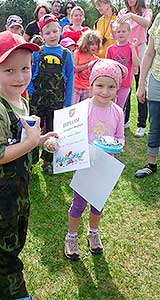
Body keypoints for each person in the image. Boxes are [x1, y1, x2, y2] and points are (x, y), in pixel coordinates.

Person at [0, 30, 57, 300]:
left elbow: (24, 138)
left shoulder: (22, 101)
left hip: (19, 188)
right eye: (9, 70)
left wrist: (41, 139)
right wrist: (31, 142)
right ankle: (15, 293)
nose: (20, 77)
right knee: (7, 246)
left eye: (25, 68)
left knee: (13, 239)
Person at [64, 58, 127, 261]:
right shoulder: (82, 108)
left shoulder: (117, 112)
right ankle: (71, 237)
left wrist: (117, 145)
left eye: (111, 87)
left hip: (104, 165)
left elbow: (120, 138)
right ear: (91, 85)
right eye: (99, 85)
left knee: (97, 205)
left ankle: (93, 233)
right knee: (78, 204)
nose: (105, 91)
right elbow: (70, 134)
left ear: (117, 88)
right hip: (84, 164)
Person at [29, 14, 74, 174]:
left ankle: (48, 160)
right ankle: (30, 159)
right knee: (33, 130)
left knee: (52, 131)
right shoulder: (36, 53)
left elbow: (70, 79)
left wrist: (67, 103)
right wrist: (30, 91)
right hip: (37, 101)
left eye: (55, 31)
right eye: (47, 33)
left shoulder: (66, 54)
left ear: (60, 30)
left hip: (57, 102)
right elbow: (30, 74)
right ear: (42, 35)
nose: (52, 35)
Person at [117, 0, 152, 137]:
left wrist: (132, 16)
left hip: (141, 49)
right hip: (125, 49)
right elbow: (118, 28)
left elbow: (147, 23)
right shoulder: (122, 12)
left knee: (141, 85)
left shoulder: (146, 11)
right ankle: (124, 121)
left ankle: (141, 124)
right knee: (125, 86)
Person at [135, 13, 160, 178]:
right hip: (157, 78)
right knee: (155, 124)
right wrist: (141, 83)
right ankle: (152, 164)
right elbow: (149, 53)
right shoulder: (159, 19)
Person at [106, 21, 139, 109]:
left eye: (123, 31)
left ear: (129, 32)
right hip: (111, 83)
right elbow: (107, 67)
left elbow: (136, 64)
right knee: (108, 105)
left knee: (119, 107)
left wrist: (132, 49)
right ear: (115, 33)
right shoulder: (111, 49)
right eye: (118, 31)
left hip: (125, 84)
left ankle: (119, 122)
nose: (121, 33)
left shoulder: (132, 47)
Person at [72, 29, 100, 104]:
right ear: (86, 44)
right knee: (73, 108)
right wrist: (88, 64)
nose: (94, 47)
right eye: (91, 44)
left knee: (84, 110)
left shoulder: (96, 59)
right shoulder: (78, 53)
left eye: (96, 44)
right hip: (76, 86)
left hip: (87, 88)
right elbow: (75, 69)